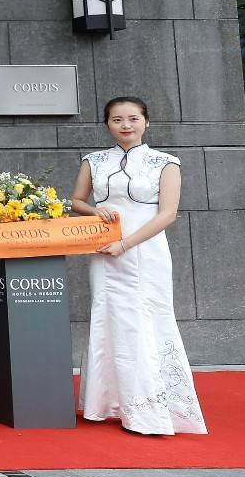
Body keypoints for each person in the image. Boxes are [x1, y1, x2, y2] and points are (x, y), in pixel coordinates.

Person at [71, 97, 206, 436]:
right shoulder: (94, 161)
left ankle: (151, 410)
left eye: (133, 118)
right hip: (103, 251)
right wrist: (93, 211)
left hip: (145, 252)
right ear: (107, 124)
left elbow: (167, 214)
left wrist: (126, 244)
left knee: (147, 319)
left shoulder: (166, 163)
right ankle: (104, 403)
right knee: (108, 316)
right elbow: (76, 201)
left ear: (147, 122)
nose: (125, 125)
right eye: (117, 120)